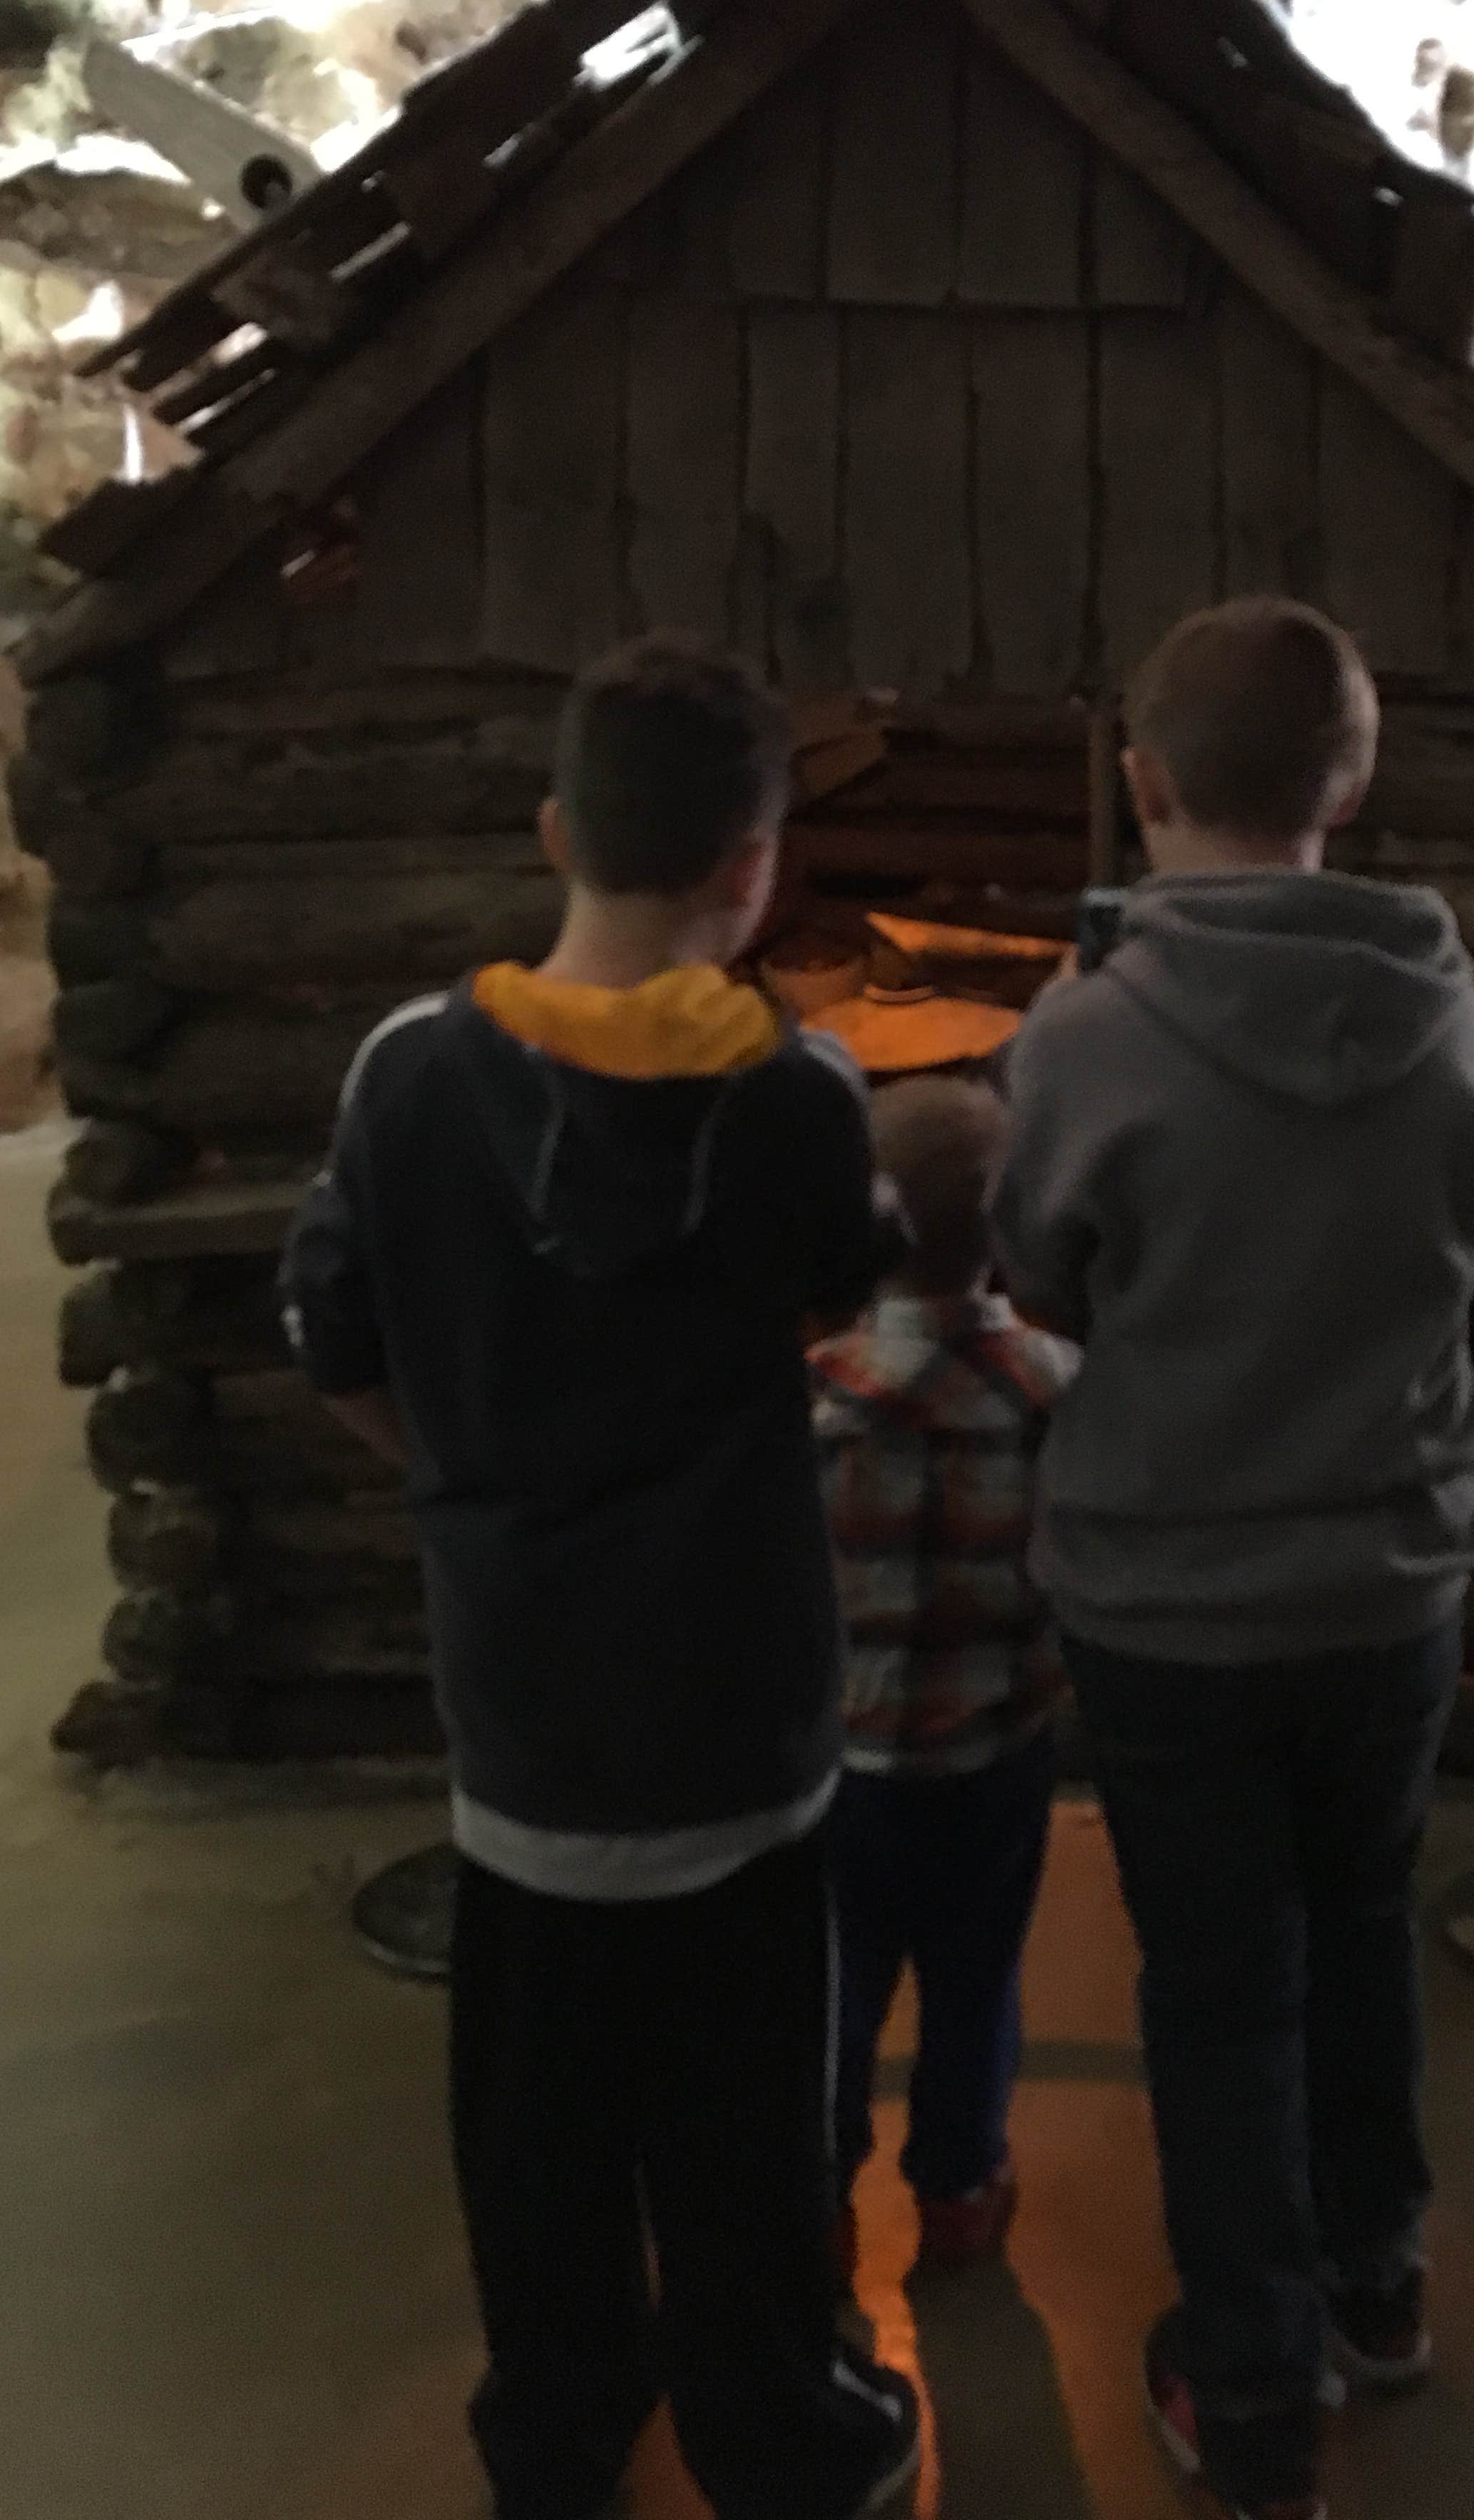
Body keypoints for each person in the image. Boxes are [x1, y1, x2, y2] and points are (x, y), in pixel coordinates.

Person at [277, 637, 920, 2520]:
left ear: (554, 827)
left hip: (527, 1729)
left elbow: (335, 1342)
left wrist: (471, 1483)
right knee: (753, 2126)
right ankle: (779, 2434)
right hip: (740, 1719)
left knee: (535, 2130)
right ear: (760, 869)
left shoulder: (404, 1079)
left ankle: (557, 2436)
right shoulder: (799, 1096)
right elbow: (831, 1297)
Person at [994, 598, 1474, 2520]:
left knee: (1217, 1993)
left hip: (1171, 1605)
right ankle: (1376, 2294)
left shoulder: (1085, 1033)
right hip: (1394, 1578)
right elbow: (1464, 1216)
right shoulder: (1448, 1000)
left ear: (1141, 786)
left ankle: (1254, 2397)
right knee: (1365, 1929)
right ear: (1352, 783)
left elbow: (1043, 1272)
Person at [810, 1077, 1078, 2288]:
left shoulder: (812, 1395)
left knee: (833, 1988)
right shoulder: (1053, 1385)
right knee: (977, 1979)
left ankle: (817, 2191)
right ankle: (961, 2187)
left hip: (841, 1764)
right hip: (993, 1756)